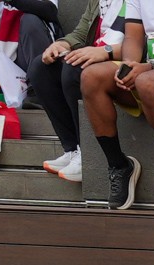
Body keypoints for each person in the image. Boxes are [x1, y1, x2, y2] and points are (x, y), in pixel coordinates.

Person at [75, 0, 154, 209]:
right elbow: (132, 36)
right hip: (149, 71)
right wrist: (129, 65)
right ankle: (119, 166)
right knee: (91, 77)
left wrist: (149, 67)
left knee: (147, 82)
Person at [30, 0, 113, 182]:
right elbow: (81, 32)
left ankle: (87, 151)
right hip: (97, 55)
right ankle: (73, 148)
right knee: (41, 68)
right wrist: (61, 44)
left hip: (120, 60)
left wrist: (106, 51)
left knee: (73, 69)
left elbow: (137, 39)